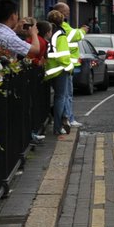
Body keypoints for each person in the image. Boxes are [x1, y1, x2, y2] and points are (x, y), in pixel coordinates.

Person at [43, 10, 79, 138]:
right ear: (62, 21)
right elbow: (63, 56)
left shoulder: (49, 32)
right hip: (60, 70)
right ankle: (58, 127)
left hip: (50, 69)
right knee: (61, 98)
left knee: (58, 98)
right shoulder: (61, 34)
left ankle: (64, 118)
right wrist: (69, 68)